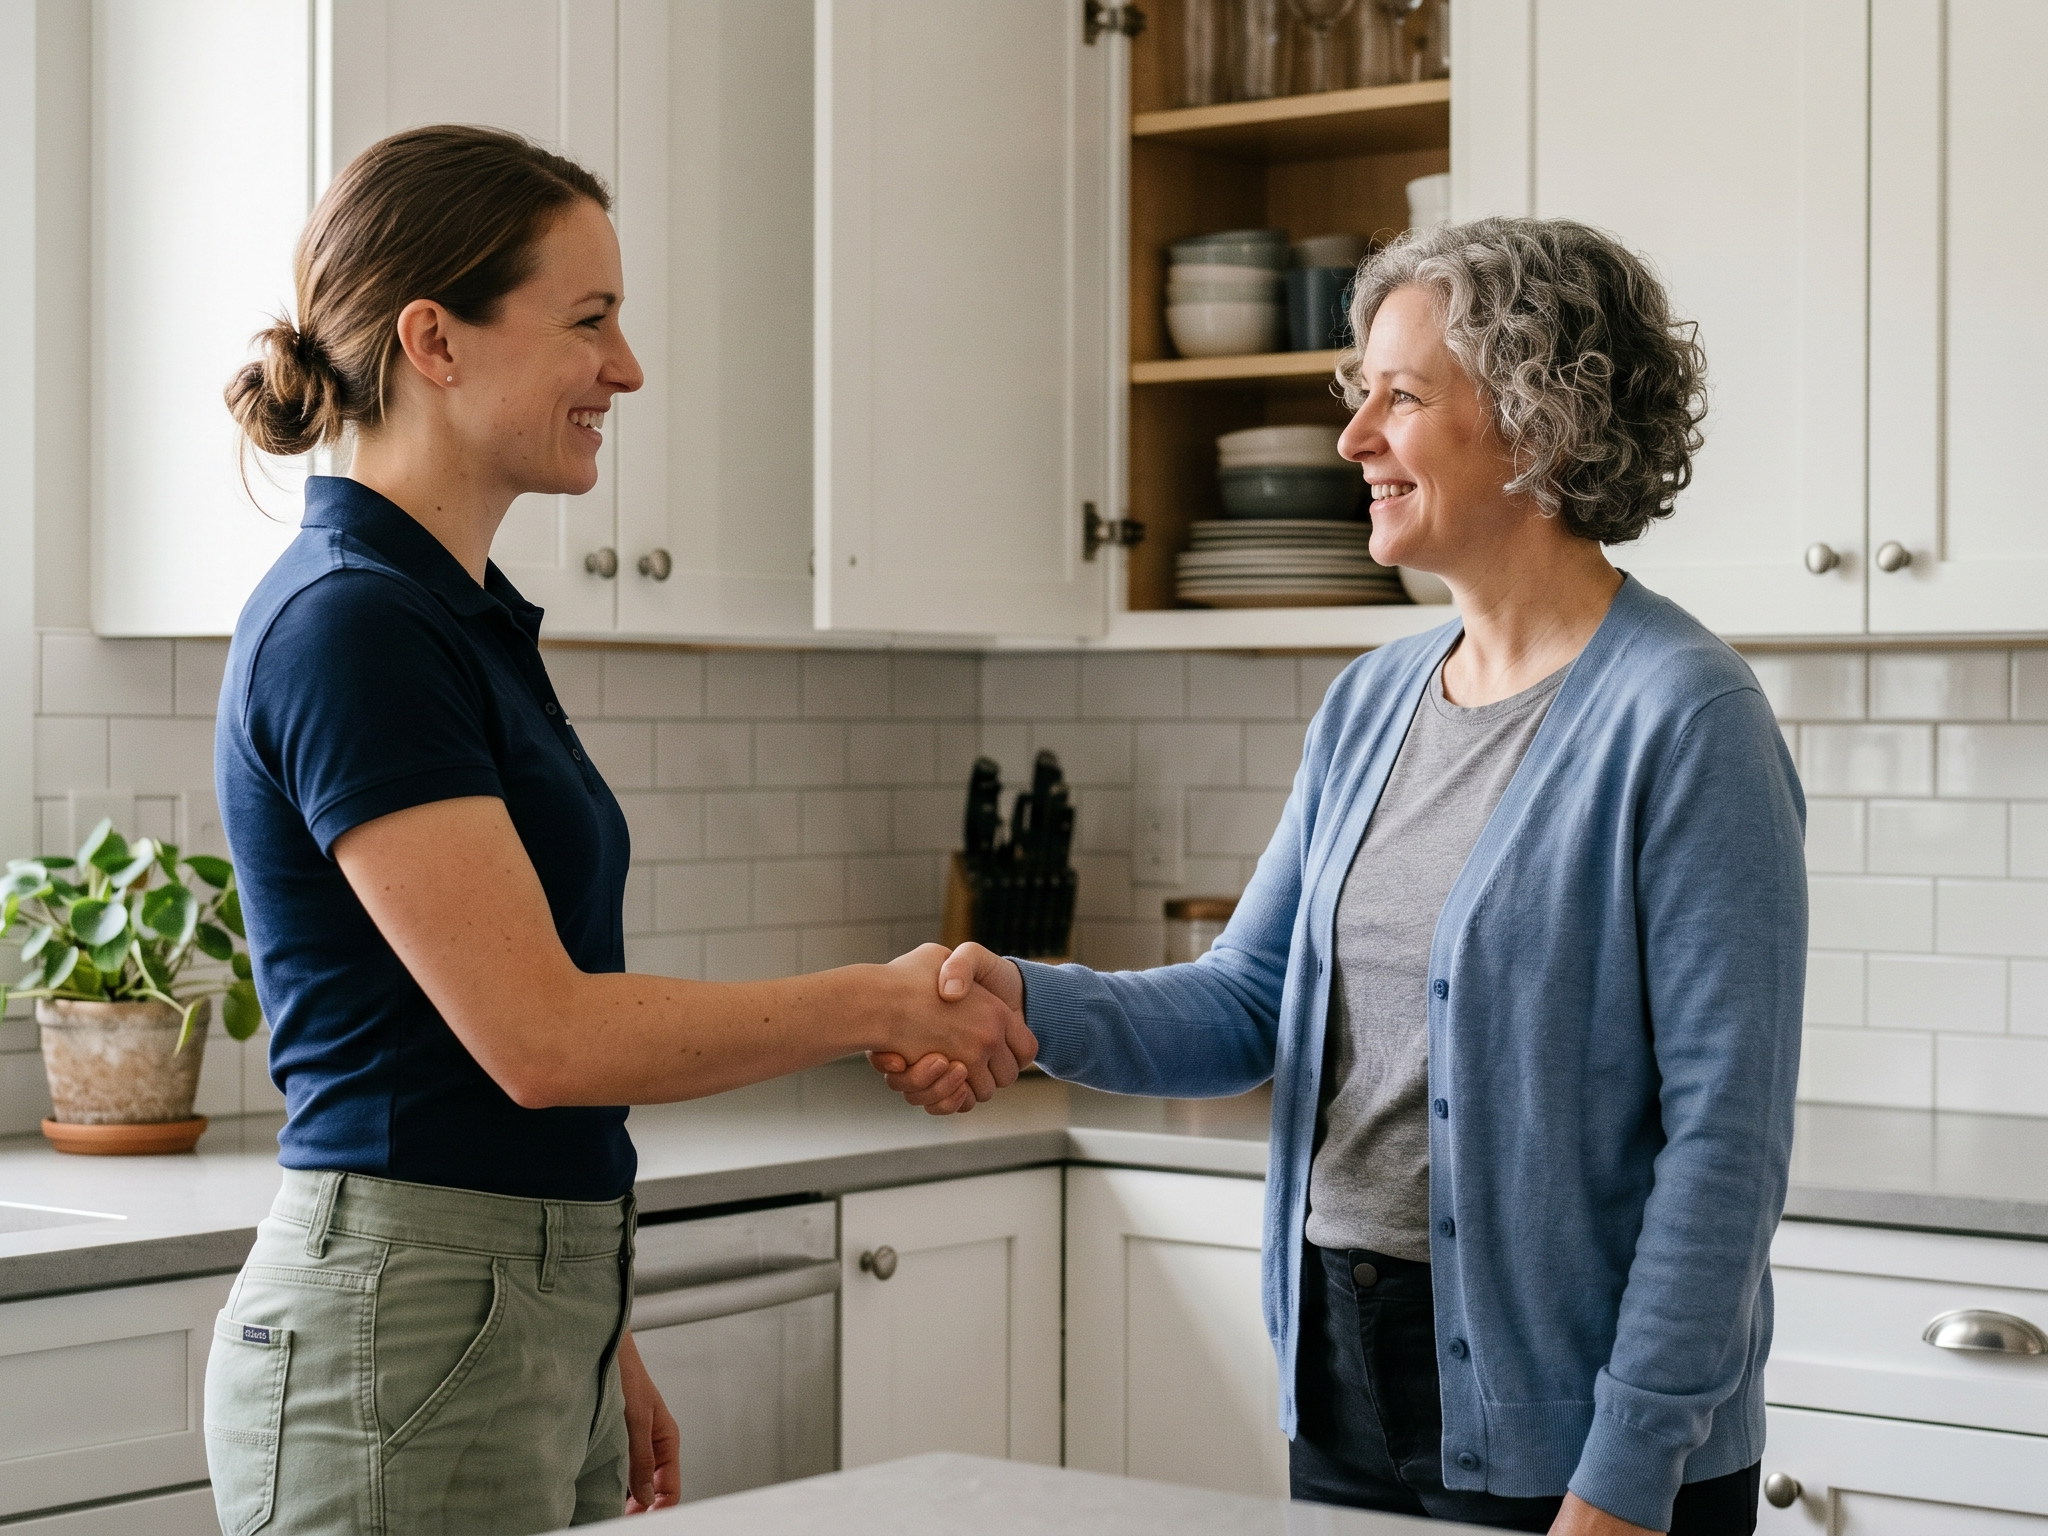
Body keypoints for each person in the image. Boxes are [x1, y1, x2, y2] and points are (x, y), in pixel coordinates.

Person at [879, 217, 1805, 1535]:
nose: (1353, 438)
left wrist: (1629, 1469)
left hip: (1571, 1420)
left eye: (1401, 397)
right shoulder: (1373, 702)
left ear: (1541, 425)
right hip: (1345, 1370)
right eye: (1356, 394)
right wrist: (1015, 1000)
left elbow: (1726, 1146)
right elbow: (1247, 1006)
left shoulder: (1684, 718)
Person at [207, 125, 1024, 1536]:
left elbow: (488, 1071)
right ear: (436, 341)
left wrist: (591, 1332)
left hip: (500, 1312)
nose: (628, 369)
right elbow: (544, 1042)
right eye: (589, 321)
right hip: (405, 1330)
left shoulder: (446, 616)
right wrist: (879, 1003)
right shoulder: (355, 626)